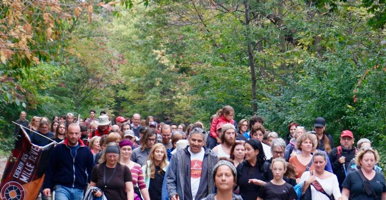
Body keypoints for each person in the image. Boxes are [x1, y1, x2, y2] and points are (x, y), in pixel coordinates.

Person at [42, 123, 94, 200]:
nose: (73, 136)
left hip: (79, 188)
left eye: (76, 133)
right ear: (66, 133)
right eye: (71, 133)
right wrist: (47, 186)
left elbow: (91, 170)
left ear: (80, 134)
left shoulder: (86, 151)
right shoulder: (58, 149)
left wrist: (94, 186)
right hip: (61, 187)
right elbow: (50, 168)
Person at [166, 127, 218, 200]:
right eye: (193, 140)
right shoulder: (178, 156)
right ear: (188, 139)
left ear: (204, 142)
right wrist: (172, 193)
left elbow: (216, 181)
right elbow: (170, 178)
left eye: (199, 141)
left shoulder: (212, 157)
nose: (196, 143)